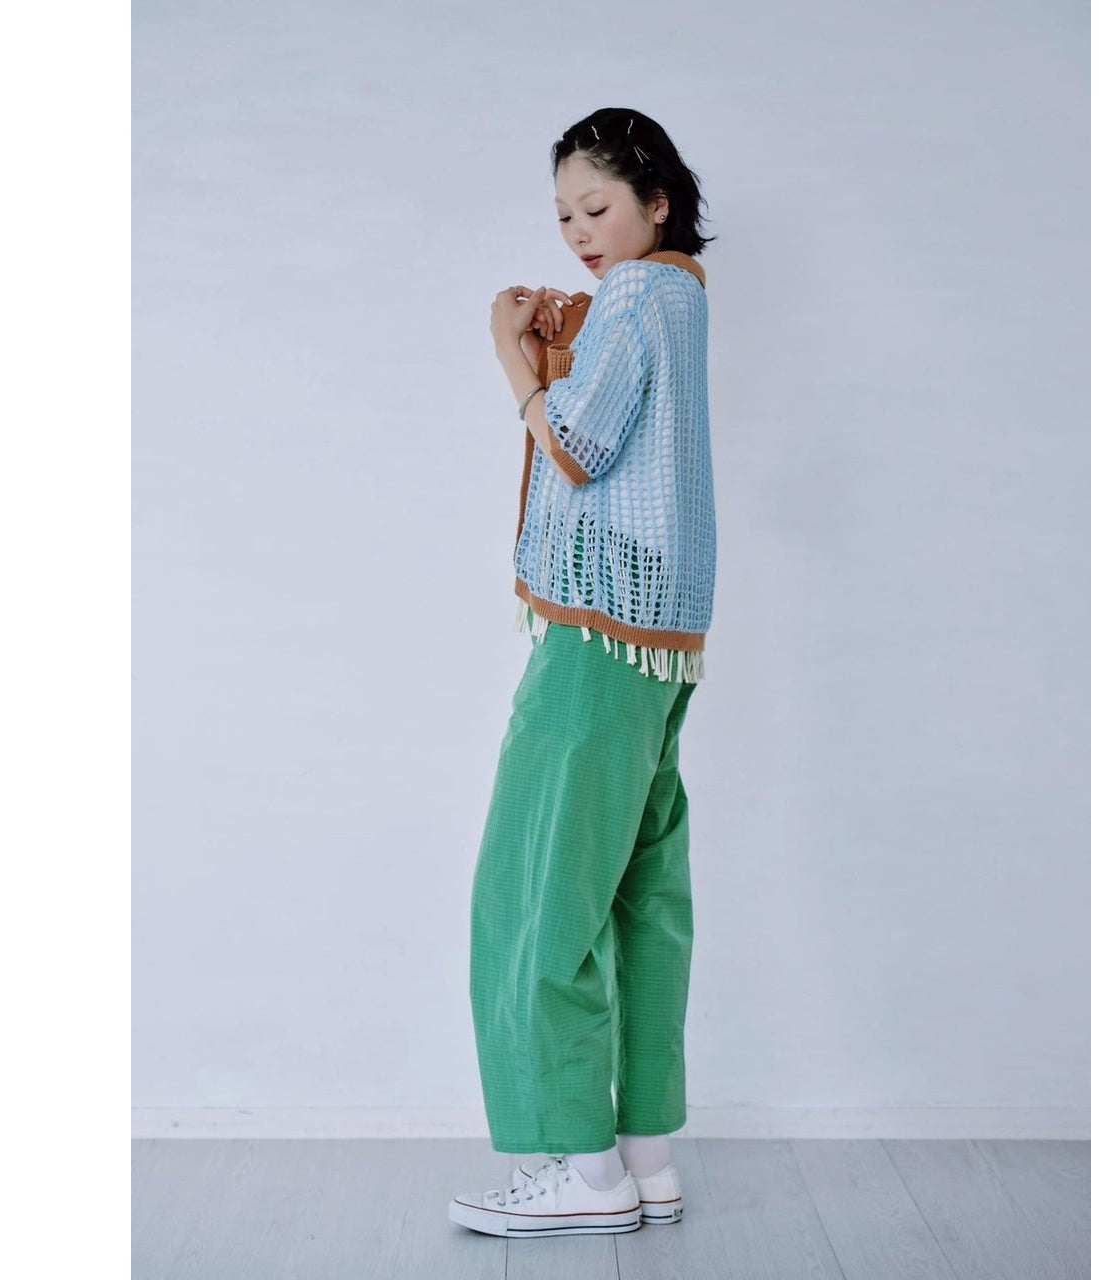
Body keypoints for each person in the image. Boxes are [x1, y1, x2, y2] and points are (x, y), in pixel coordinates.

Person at [448, 106, 718, 1240]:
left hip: (600, 631)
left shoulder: (637, 296)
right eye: (563, 215)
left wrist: (511, 355)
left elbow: (579, 445)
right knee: (641, 892)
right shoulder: (683, 297)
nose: (578, 233)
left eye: (596, 207)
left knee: (537, 892)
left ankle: (576, 1163)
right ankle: (644, 1156)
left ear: (657, 201)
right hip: (662, 634)